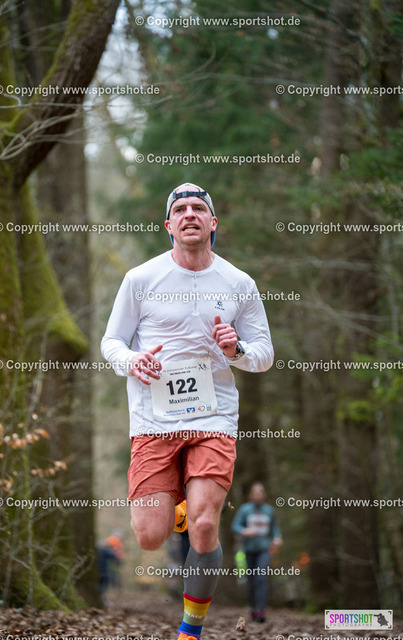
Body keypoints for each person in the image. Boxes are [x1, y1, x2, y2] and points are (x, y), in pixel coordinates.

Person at [101, 183, 274, 640]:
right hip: (153, 420)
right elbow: (111, 342)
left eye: (199, 208)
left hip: (214, 418)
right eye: (180, 209)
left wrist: (236, 349)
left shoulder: (239, 283)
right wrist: (132, 361)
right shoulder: (141, 279)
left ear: (213, 223)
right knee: (149, 536)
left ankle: (190, 629)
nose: (190, 214)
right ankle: (176, 503)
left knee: (204, 523)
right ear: (169, 225)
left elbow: (264, 354)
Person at [232, 482, 283, 623]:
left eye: (260, 492)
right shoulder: (245, 509)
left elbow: (274, 528)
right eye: (255, 492)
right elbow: (235, 525)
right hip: (249, 550)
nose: (258, 495)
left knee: (261, 577)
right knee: (251, 581)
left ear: (264, 494)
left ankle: (261, 610)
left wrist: (277, 537)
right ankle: (253, 609)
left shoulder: (269, 510)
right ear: (251, 495)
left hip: (264, 549)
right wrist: (245, 531)